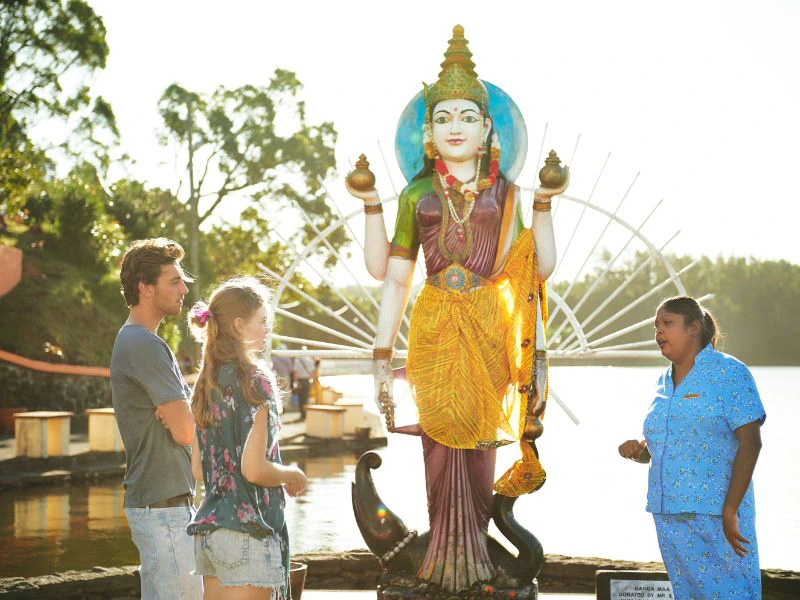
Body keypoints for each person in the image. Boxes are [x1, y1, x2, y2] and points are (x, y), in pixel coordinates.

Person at [346, 26, 563, 592]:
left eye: (467, 116)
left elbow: (536, 270)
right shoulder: (418, 193)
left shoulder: (507, 194)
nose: (455, 128)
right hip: (435, 323)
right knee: (439, 440)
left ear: (489, 127)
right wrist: (380, 347)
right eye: (443, 118)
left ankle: (481, 558)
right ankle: (442, 555)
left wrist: (542, 205)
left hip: (489, 324)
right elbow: (391, 275)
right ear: (428, 131)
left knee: (481, 436)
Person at [619, 296, 765, 599]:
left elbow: (751, 443)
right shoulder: (662, 381)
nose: (658, 332)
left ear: (694, 328)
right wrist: (639, 451)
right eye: (655, 326)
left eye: (667, 324)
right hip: (667, 515)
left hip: (716, 516)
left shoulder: (729, 373)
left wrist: (729, 510)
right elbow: (666, 447)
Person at [186, 276, 307, 600]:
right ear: (239, 325)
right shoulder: (256, 381)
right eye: (263, 321)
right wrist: (291, 474)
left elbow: (199, 470)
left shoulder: (205, 383)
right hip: (248, 532)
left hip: (209, 533)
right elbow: (253, 470)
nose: (268, 328)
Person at [110, 238, 202, 599]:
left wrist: (180, 412)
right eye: (174, 281)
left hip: (163, 505)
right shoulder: (144, 344)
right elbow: (185, 430)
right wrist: (184, 415)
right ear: (145, 288)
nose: (184, 288)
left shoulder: (140, 341)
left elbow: (180, 421)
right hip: (163, 509)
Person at [292, 354, 314, 419]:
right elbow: (312, 372)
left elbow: (295, 372)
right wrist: (311, 380)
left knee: (301, 398)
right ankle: (305, 413)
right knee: (306, 397)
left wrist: (296, 382)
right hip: (307, 380)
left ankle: (302, 413)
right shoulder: (310, 360)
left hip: (300, 381)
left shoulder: (297, 360)